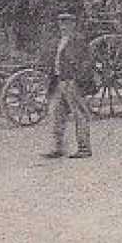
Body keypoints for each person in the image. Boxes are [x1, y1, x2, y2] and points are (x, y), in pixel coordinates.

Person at [43, 12, 94, 160]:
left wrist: (78, 79)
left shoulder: (79, 40)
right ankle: (58, 148)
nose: (63, 27)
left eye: (66, 23)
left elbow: (88, 61)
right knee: (57, 115)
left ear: (73, 25)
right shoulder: (59, 41)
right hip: (59, 82)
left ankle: (84, 148)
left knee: (79, 114)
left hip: (72, 82)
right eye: (61, 24)